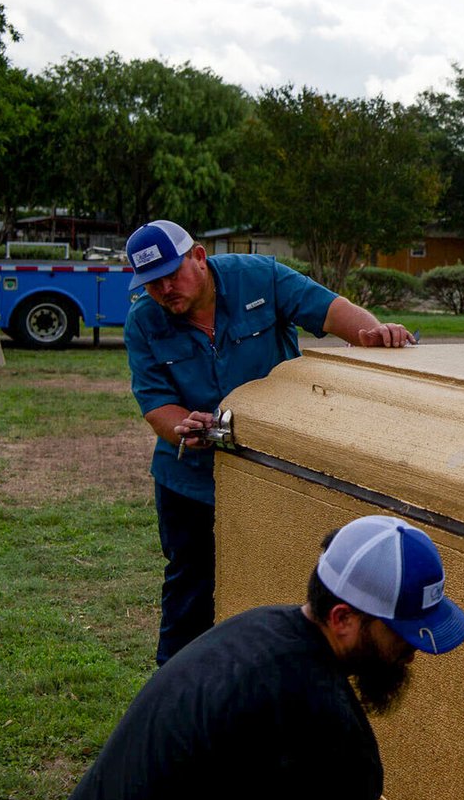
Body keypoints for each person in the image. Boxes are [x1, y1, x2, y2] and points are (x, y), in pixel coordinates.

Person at [43, 515, 464, 800]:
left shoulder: (261, 628)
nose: (413, 649)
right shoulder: (321, 724)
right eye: (402, 631)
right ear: (343, 618)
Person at [123, 220, 414, 665]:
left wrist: (373, 335)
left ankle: (277, 674)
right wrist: (185, 426)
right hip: (190, 481)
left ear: (198, 258)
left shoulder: (259, 276)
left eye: (172, 274)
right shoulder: (143, 322)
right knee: (190, 586)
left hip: (271, 471)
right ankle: (176, 681)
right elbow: (155, 404)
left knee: (278, 571)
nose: (164, 289)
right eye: (151, 283)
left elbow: (331, 310)